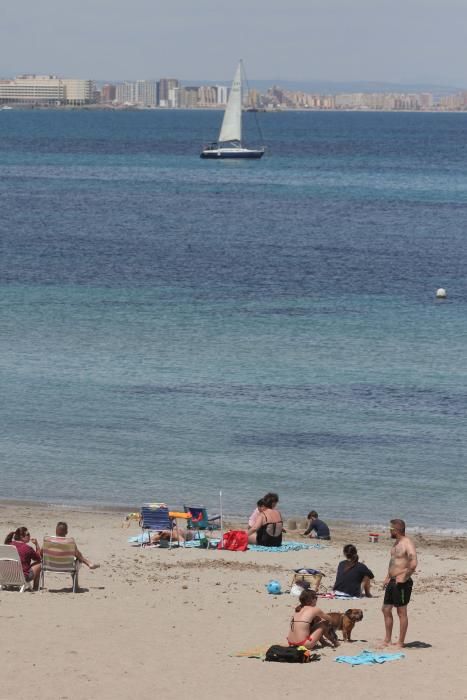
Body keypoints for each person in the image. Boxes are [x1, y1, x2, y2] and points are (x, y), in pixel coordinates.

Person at [380, 518, 417, 649]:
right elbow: (394, 562)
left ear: (397, 530)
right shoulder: (396, 543)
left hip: (402, 584)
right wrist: (387, 576)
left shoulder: (407, 543)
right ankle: (387, 640)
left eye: (390, 529)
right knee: (385, 609)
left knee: (401, 612)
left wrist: (405, 577)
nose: (389, 531)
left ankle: (400, 642)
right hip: (392, 581)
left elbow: (413, 563)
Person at [4, 526, 42, 590]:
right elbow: (39, 558)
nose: (29, 536)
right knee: (39, 564)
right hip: (22, 577)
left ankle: (11, 585)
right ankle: (35, 588)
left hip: (7, 576)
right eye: (28, 534)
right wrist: (36, 544)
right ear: (22, 537)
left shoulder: (8, 545)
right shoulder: (27, 548)